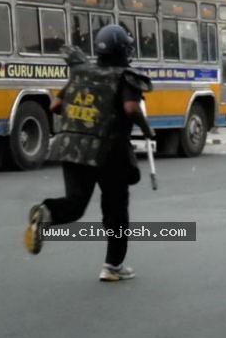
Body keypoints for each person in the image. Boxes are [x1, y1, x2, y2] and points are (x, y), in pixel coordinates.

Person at [23, 25, 154, 282]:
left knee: (75, 203)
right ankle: (112, 266)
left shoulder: (81, 73)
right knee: (115, 209)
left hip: (72, 148)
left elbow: (55, 105)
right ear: (124, 50)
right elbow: (130, 109)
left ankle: (47, 212)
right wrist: (147, 130)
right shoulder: (125, 77)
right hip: (109, 152)